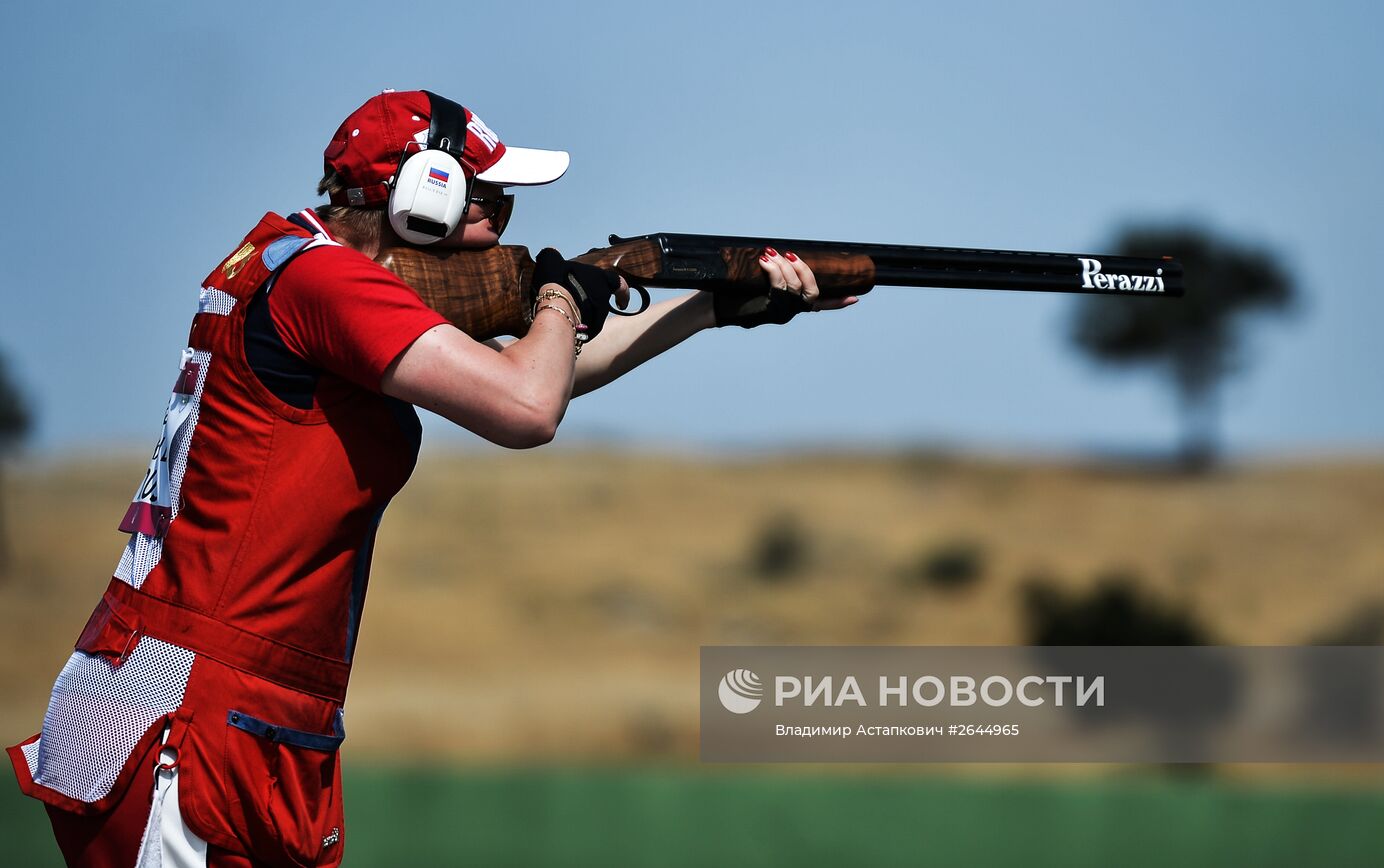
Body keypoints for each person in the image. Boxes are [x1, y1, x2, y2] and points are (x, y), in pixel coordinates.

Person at [6, 89, 857, 867]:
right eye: (493, 205)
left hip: (202, 696)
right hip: (189, 720)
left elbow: (537, 377)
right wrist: (564, 293)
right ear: (425, 200)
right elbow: (526, 408)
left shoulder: (290, 260)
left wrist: (708, 307)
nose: (503, 228)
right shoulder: (327, 282)